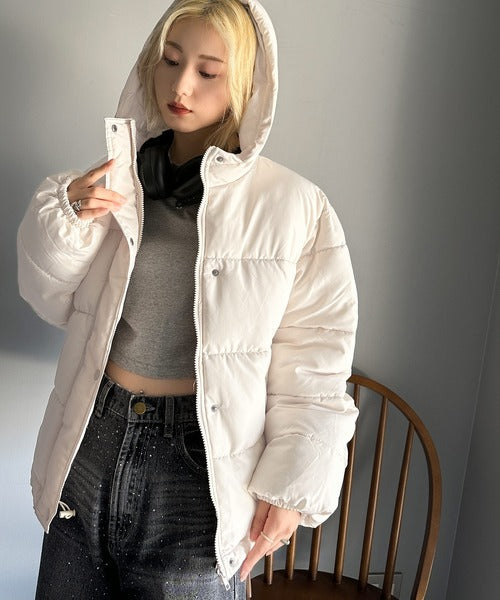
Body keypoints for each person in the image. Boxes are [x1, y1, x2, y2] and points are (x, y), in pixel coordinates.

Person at [17, 0, 359, 598]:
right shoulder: (111, 183)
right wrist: (66, 217)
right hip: (91, 437)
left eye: (208, 71)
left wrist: (291, 489)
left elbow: (315, 360)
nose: (181, 86)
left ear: (244, 82)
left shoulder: (294, 207)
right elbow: (48, 298)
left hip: (199, 470)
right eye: (170, 61)